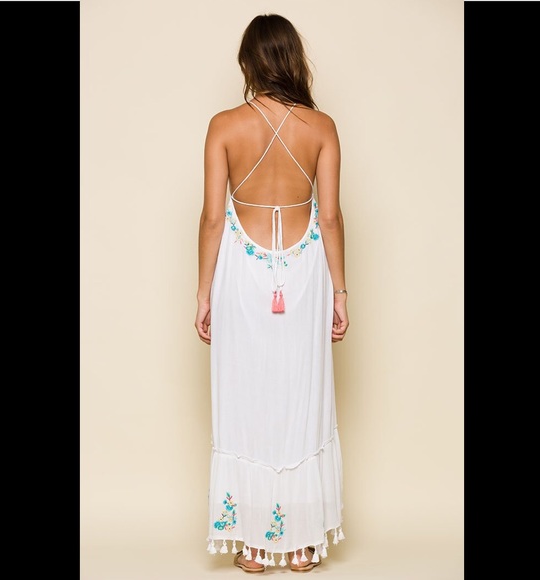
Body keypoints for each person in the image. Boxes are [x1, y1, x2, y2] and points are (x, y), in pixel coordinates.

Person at [195, 13, 349, 573]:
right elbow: (329, 217)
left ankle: (255, 545)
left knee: (246, 396)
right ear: (292, 61)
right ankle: (301, 544)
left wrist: (203, 293)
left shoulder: (224, 126)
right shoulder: (322, 127)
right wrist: (340, 292)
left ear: (249, 64)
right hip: (305, 272)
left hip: (242, 271)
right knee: (301, 396)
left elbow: (214, 218)